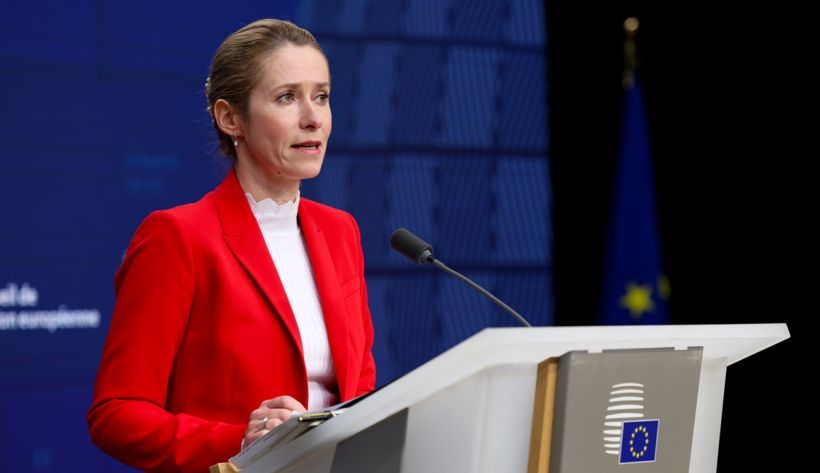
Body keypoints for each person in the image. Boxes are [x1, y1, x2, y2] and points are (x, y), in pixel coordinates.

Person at [87, 19, 376, 472]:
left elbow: (360, 388)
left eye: (321, 96)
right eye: (287, 97)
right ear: (230, 118)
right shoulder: (177, 237)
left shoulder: (341, 231)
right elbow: (116, 414)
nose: (313, 118)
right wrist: (241, 441)